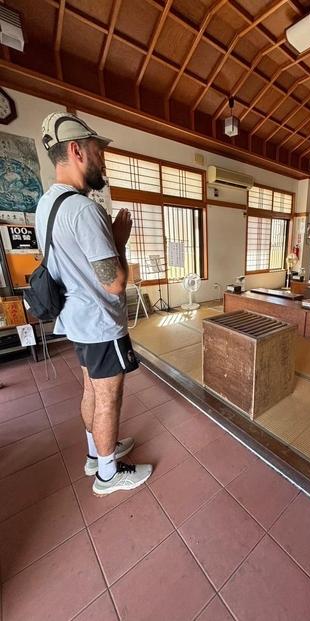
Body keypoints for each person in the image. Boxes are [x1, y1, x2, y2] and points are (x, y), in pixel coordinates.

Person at [36, 112, 152, 495]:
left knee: (90, 390)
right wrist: (119, 238)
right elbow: (115, 283)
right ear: (76, 151)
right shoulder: (84, 210)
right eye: (98, 151)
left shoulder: (46, 205)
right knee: (108, 398)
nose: (102, 160)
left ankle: (95, 453)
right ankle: (108, 473)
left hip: (75, 320)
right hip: (100, 322)